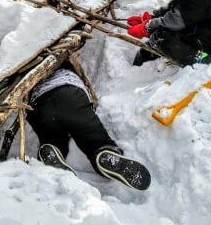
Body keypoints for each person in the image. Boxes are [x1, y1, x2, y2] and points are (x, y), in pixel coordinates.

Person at [27, 63, 151, 191]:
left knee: (52, 138)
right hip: (70, 94)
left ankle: (50, 151)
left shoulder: (22, 63)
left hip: (40, 104)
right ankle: (104, 153)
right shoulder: (60, 59)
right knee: (93, 137)